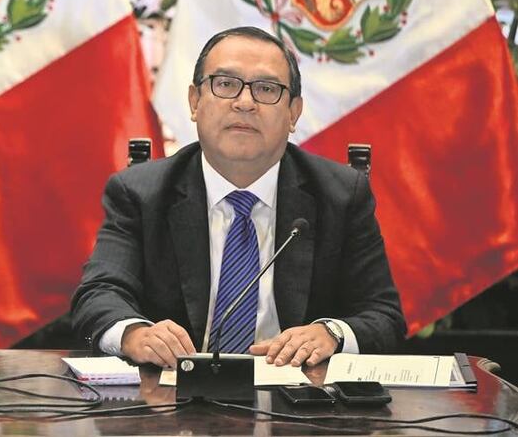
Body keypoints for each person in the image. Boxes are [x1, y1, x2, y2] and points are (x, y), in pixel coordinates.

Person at [72, 26, 405, 369]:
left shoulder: (339, 195)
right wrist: (134, 335)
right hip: (172, 401)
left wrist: (331, 333)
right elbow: (98, 296)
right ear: (195, 101)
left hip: (299, 406)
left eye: (266, 89)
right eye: (226, 84)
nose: (245, 103)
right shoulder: (141, 193)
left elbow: (384, 316)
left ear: (293, 113)